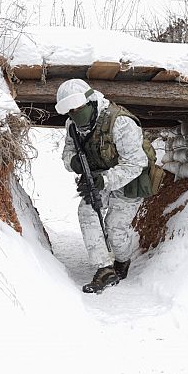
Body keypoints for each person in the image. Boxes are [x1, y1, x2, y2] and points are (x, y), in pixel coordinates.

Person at [55, 78, 158, 294]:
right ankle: (104, 269)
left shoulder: (121, 122)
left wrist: (105, 180)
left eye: (78, 109)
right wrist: (74, 163)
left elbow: (135, 163)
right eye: (70, 112)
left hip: (131, 181)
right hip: (100, 178)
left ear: (91, 102)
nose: (75, 115)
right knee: (87, 211)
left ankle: (123, 259)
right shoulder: (73, 125)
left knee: (115, 229)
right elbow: (68, 153)